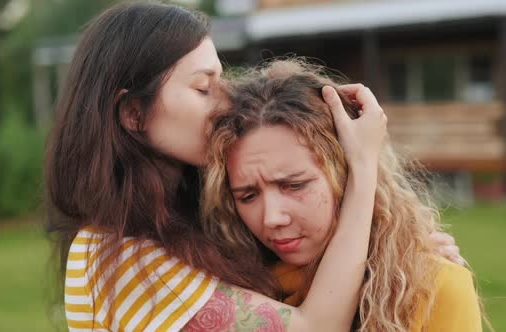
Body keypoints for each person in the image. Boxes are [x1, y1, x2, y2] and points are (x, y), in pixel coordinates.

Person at [44, 2, 462, 331]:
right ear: (134, 113)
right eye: (204, 88)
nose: (226, 102)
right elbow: (314, 329)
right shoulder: (120, 259)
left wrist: (396, 248)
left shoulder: (179, 224)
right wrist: (364, 165)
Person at [202, 59, 484, 331]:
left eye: (294, 185)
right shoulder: (221, 294)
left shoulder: (434, 287)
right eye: (248, 196)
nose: (272, 217)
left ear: (347, 174)